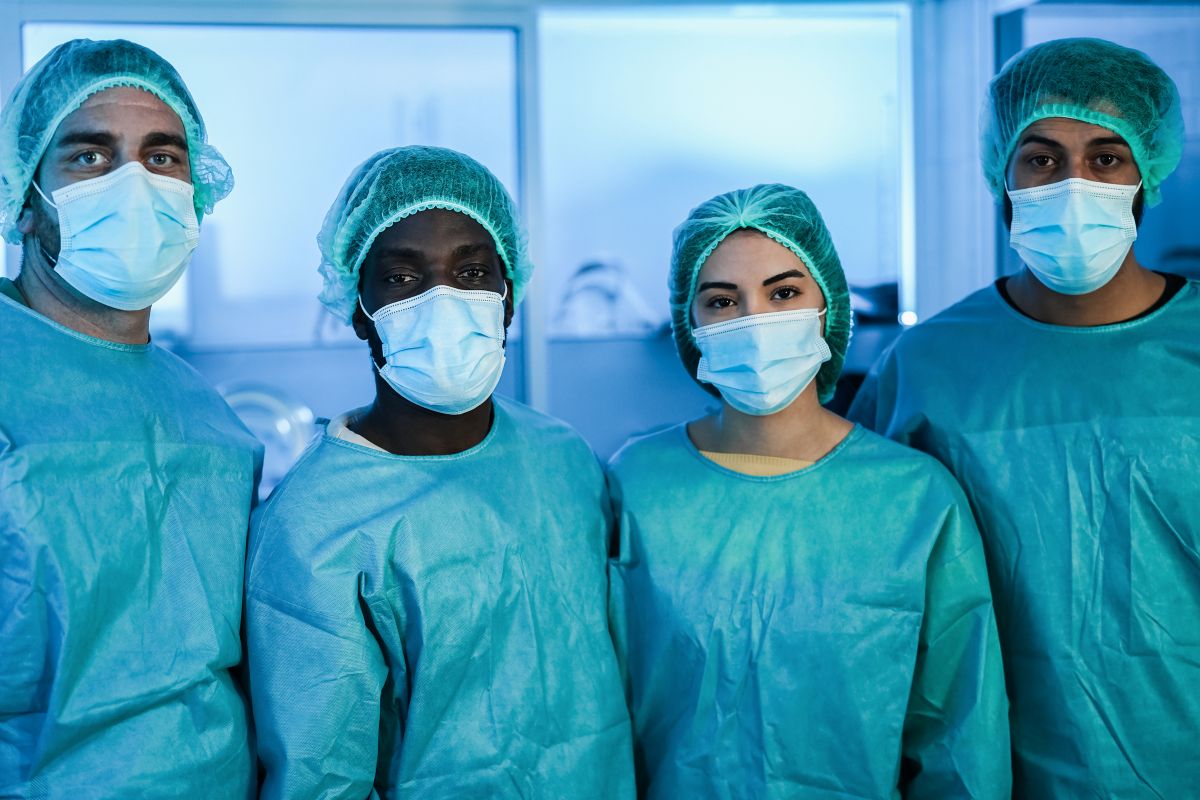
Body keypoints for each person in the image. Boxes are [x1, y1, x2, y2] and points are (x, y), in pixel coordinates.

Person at [849, 37, 1199, 797]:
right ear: (1000, 175)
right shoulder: (929, 368)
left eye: (1107, 158)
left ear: (1151, 172)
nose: (1073, 183)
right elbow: (874, 595)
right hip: (989, 768)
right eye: (1040, 158)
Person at [245, 145, 634, 798]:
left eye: (473, 270)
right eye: (401, 278)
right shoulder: (315, 527)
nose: (444, 300)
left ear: (509, 295)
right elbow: (321, 777)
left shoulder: (563, 459)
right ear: (355, 306)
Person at [608, 184, 1011, 798]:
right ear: (689, 325)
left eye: (784, 293)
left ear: (830, 304)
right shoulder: (636, 483)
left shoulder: (913, 500)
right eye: (722, 301)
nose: (755, 321)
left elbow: (957, 741)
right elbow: (598, 711)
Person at [0, 40, 261, 797]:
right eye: (88, 158)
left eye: (161, 157)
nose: (134, 186)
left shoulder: (211, 420)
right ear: (23, 198)